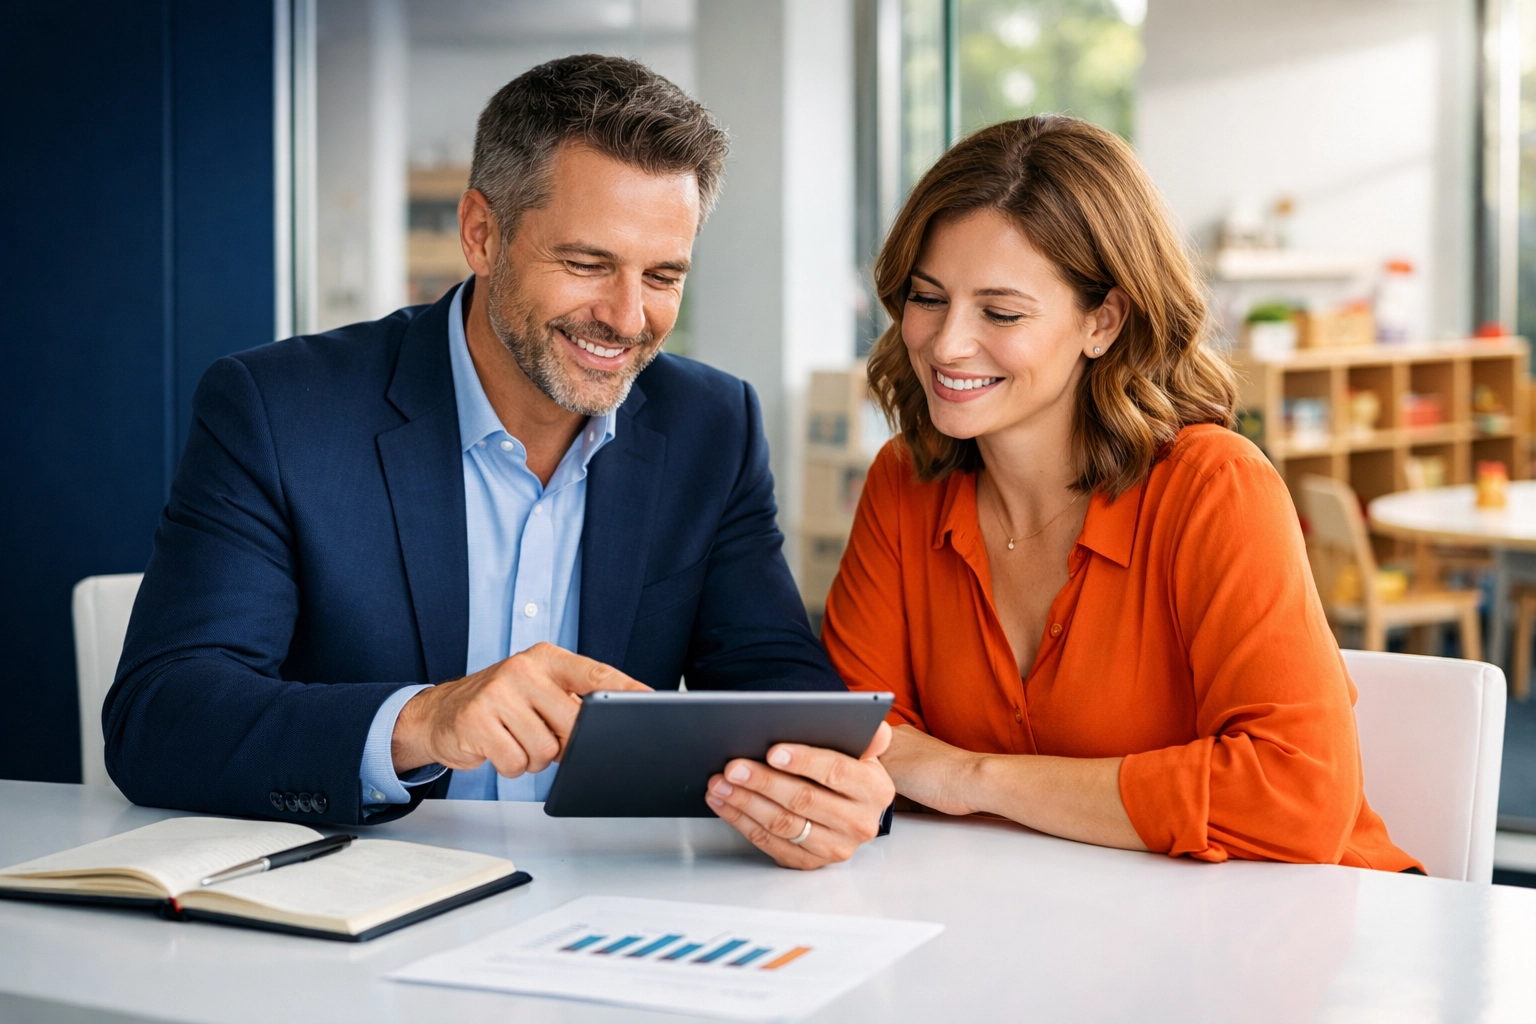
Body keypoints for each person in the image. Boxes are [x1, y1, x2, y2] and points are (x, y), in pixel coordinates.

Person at [106, 54, 894, 871]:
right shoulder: (279, 409)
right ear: (482, 233)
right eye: (587, 263)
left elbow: (775, 687)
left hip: (607, 910)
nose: (627, 317)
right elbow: (161, 720)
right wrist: (424, 720)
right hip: (360, 906)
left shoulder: (712, 426)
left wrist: (828, 789)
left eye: (663, 275)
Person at [822, 115, 1421, 871]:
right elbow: (851, 747)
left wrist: (967, 774)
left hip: (1293, 936)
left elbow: (1295, 796)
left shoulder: (1214, 488)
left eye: (1000, 312)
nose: (945, 344)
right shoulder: (903, 483)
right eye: (928, 297)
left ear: (1103, 320)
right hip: (1044, 924)